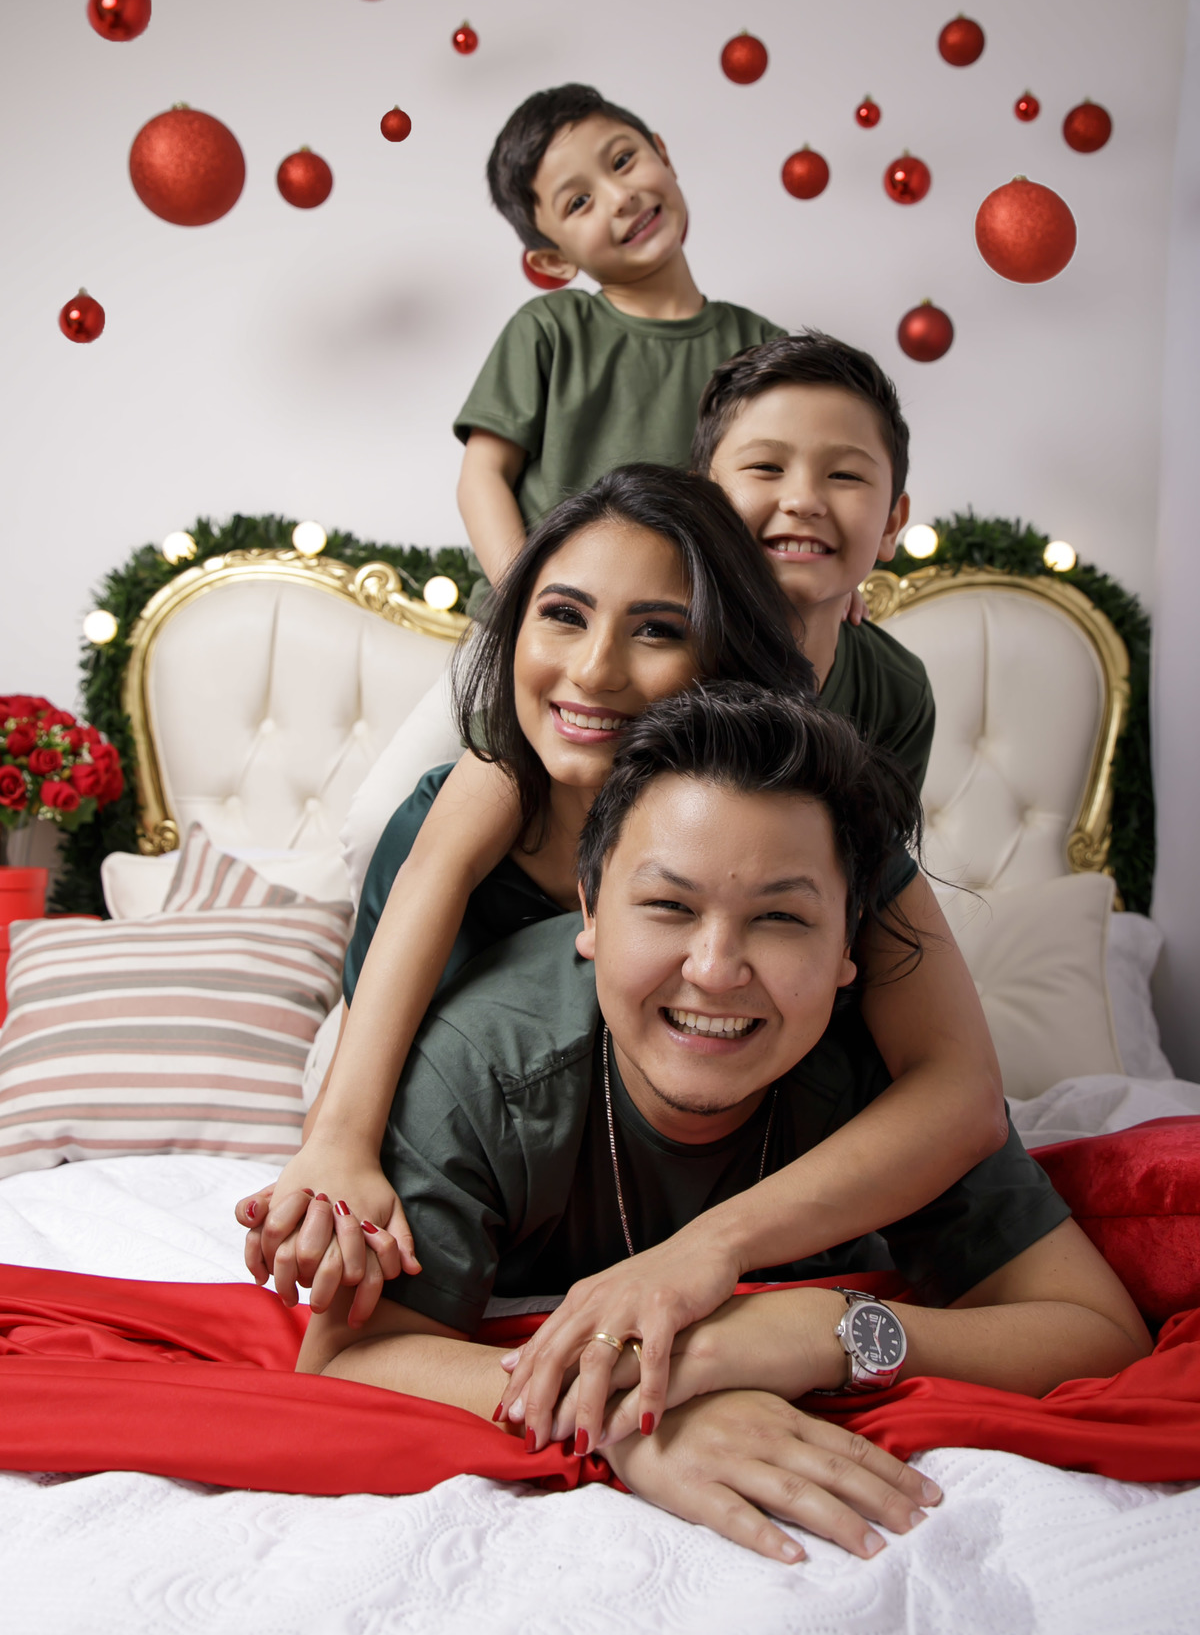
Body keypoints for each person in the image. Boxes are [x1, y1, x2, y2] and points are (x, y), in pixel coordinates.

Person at [294, 684, 1150, 1566]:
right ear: (589, 909)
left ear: (851, 941)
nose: (714, 969)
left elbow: (1099, 1330)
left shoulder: (885, 1083)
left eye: (780, 918)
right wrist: (639, 1413)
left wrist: (821, 1331)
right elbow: (350, 1359)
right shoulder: (483, 1062)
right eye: (668, 907)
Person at [241, 464, 1004, 1415]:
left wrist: (714, 1254)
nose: (596, 670)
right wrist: (339, 1157)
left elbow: (963, 1092)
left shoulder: (809, 828)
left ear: (727, 659)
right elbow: (370, 1078)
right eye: (562, 615)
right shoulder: (466, 822)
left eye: (658, 630)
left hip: (708, 1143)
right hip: (428, 1107)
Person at [454, 82, 784, 609]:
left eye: (624, 160)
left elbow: (788, 493)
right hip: (534, 632)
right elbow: (482, 477)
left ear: (664, 154)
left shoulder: (760, 347)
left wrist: (828, 584)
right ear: (553, 260)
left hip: (684, 630)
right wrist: (529, 595)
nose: (620, 196)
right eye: (580, 201)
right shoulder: (549, 329)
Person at [694, 329, 933, 785]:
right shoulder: (648, 644)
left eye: (844, 474)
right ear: (699, 498)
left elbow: (875, 853)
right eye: (766, 467)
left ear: (889, 525)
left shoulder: (897, 691)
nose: (803, 501)